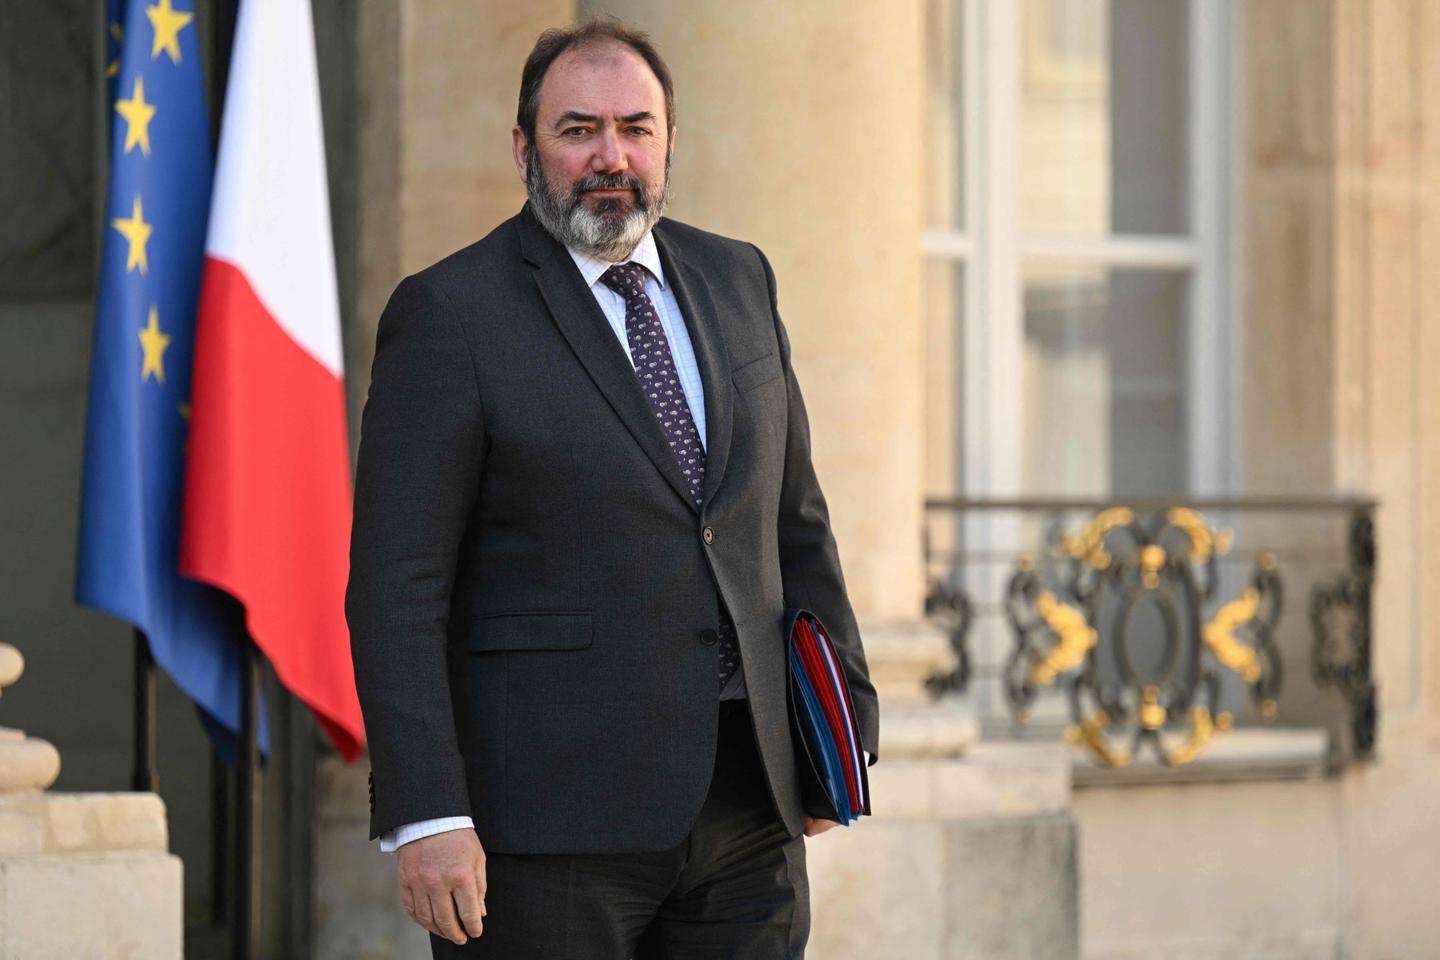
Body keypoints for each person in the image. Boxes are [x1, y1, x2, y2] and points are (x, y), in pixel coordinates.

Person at [346, 19, 880, 959]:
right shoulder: (449, 315)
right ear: (524, 148)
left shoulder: (739, 277)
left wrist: (840, 732)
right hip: (544, 828)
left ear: (672, 141)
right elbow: (396, 590)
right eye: (577, 129)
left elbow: (794, 525)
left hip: (749, 807)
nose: (611, 156)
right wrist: (428, 814)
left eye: (636, 128)